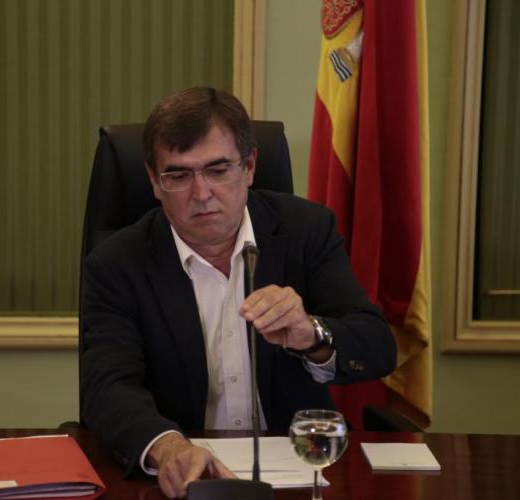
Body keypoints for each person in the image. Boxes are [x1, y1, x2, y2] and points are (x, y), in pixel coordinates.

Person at [80, 87, 396, 498]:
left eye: (218, 170)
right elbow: (108, 387)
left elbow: (376, 347)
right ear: (155, 183)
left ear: (249, 167)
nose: (201, 193)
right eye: (178, 175)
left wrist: (311, 334)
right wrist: (169, 448)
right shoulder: (117, 263)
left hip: (297, 473)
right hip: (184, 480)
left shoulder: (306, 231)